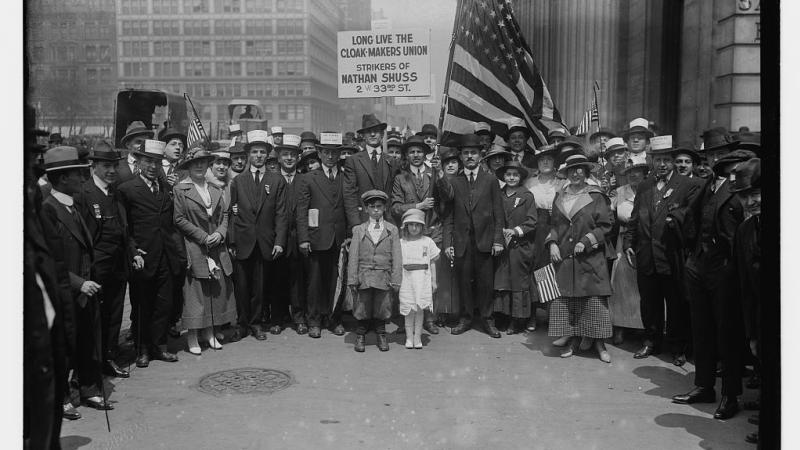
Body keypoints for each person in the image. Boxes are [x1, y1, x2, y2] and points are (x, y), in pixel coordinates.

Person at [671, 133, 756, 420]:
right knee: (702, 329)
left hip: (726, 270)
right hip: (699, 266)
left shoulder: (742, 189)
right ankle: (704, 386)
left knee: (727, 334)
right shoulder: (705, 184)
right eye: (711, 156)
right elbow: (692, 220)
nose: (715, 160)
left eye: (722, 155)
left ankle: (731, 395)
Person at [40, 146, 114, 412]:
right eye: (76, 175)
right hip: (65, 291)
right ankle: (60, 398)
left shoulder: (71, 206)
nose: (82, 180)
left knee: (87, 341)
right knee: (64, 345)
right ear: (61, 179)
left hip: (86, 290)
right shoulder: (48, 209)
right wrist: (78, 282)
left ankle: (89, 389)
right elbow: (48, 259)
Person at [623, 138, 699, 365]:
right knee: (649, 301)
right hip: (646, 255)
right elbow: (634, 219)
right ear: (651, 161)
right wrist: (628, 243)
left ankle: (677, 346)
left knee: (676, 302)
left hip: (671, 254)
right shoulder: (645, 185)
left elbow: (690, 220)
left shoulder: (686, 185)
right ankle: (651, 341)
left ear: (673, 162)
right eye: (658, 160)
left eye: (667, 160)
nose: (663, 164)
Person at [118, 140, 182, 367]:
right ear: (139, 162)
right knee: (143, 305)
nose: (153, 166)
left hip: (165, 255)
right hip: (142, 257)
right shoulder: (127, 189)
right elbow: (125, 228)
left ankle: (160, 346)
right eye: (148, 161)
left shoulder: (165, 188)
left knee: (163, 304)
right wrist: (133, 250)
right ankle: (142, 349)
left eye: (157, 161)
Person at [545, 154, 614, 363]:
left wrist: (586, 240)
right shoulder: (560, 195)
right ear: (566, 173)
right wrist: (553, 243)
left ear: (586, 173)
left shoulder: (596, 196)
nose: (576, 173)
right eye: (571, 170)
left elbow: (606, 225)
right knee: (568, 301)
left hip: (589, 259)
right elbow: (555, 225)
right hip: (565, 258)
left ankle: (599, 344)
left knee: (592, 301)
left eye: (580, 170)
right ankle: (573, 339)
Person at [73, 141, 130, 379]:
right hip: (96, 268)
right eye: (106, 166)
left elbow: (124, 228)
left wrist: (133, 252)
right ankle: (90, 366)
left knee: (114, 314)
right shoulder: (83, 194)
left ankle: (109, 356)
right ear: (93, 166)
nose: (111, 171)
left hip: (118, 266)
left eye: (114, 166)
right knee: (93, 319)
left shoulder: (115, 192)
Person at [173, 148, 237, 354]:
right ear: (188, 167)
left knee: (215, 291)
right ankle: (193, 335)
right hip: (194, 246)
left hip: (216, 246)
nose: (199, 166)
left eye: (203, 163)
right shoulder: (180, 190)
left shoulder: (215, 189)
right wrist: (203, 236)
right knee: (196, 293)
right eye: (195, 164)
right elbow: (179, 218)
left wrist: (220, 233)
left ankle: (210, 332)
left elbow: (224, 215)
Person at [227, 130, 288, 341]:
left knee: (259, 287)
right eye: (255, 152)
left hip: (265, 241)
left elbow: (281, 213)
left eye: (263, 152)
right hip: (243, 241)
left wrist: (280, 241)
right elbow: (231, 212)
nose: (259, 155)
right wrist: (232, 240)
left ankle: (255, 324)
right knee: (242, 286)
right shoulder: (238, 181)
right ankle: (242, 324)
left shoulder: (276, 180)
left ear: (267, 155)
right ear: (248, 155)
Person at [443, 133, 505, 337]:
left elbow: (498, 213)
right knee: (464, 282)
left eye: (474, 153)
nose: (470, 156)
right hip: (462, 241)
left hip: (485, 241)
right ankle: (466, 319)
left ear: (480, 155)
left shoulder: (490, 180)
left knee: (486, 283)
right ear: (461, 156)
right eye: (466, 153)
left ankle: (487, 320)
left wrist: (498, 240)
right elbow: (449, 215)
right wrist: (447, 242)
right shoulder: (455, 181)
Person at [390, 135, 450, 335]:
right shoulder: (400, 178)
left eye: (419, 152)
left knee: (431, 276)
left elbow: (449, 196)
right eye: (412, 152)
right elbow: (396, 208)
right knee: (408, 276)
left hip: (432, 231)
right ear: (407, 155)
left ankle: (429, 318)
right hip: (410, 236)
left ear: (425, 154)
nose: (416, 155)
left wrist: (440, 172)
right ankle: (406, 317)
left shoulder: (434, 174)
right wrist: (418, 206)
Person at [296, 138, 349, 338]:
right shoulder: (309, 178)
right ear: (319, 153)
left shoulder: (345, 177)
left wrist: (350, 234)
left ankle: (334, 319)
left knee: (336, 281)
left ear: (339, 155)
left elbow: (349, 206)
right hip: (317, 237)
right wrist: (303, 238)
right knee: (315, 282)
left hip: (339, 238)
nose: (330, 156)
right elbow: (302, 211)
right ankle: (314, 321)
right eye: (326, 152)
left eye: (334, 152)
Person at [347, 190, 403, 352]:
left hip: (383, 276)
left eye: (379, 206)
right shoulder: (359, 230)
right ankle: (360, 336)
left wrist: (396, 278)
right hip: (363, 275)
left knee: (383, 307)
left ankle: (381, 335)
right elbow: (353, 256)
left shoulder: (392, 230)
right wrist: (352, 279)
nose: (376, 210)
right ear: (366, 209)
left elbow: (397, 256)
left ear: (385, 208)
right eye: (372, 207)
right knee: (362, 306)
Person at [730, 158, 762, 444]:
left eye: (756, 194)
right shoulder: (745, 230)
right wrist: (752, 331)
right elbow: (746, 286)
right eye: (745, 196)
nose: (751, 201)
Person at [492, 161, 537, 334]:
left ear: (520, 177)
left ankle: (517, 320)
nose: (511, 177)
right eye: (508, 174)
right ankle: (502, 316)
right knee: (502, 281)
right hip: (502, 245)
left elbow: (532, 221)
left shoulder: (527, 195)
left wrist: (516, 231)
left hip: (520, 245)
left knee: (518, 282)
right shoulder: (499, 194)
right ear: (504, 176)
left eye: (515, 175)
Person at [607, 155, 648, 345]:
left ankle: (641, 327)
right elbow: (608, 212)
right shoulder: (619, 192)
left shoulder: (650, 190)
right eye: (630, 172)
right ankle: (620, 326)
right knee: (621, 284)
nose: (633, 176)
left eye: (637, 172)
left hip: (644, 240)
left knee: (642, 287)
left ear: (644, 173)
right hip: (623, 240)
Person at [273, 134, 307, 334]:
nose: (288, 158)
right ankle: (277, 318)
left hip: (298, 237)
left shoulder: (304, 180)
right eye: (285, 154)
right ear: (279, 158)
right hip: (277, 238)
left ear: (297, 158)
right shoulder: (272, 179)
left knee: (298, 280)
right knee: (277, 279)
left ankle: (299, 318)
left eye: (292, 155)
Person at [343, 114, 399, 227]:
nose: (373, 134)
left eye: (376, 131)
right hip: (363, 220)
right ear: (363, 136)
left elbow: (395, 193)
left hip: (386, 220)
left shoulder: (391, 161)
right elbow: (349, 195)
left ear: (382, 134)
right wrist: (355, 224)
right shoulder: (353, 161)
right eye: (369, 132)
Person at [399, 209, 440, 349]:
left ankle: (417, 338)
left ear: (422, 226)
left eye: (417, 225)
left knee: (420, 308)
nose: (414, 228)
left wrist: (433, 281)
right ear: (406, 226)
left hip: (422, 279)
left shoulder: (427, 242)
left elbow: (433, 262)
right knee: (409, 309)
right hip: (407, 279)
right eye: (411, 225)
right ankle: (409, 338)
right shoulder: (401, 243)